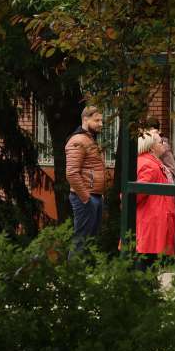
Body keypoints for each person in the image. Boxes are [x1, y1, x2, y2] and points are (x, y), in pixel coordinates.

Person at [65, 105, 107, 254]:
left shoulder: (90, 139)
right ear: (85, 119)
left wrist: (98, 195)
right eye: (97, 120)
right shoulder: (78, 140)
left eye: (101, 120)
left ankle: (83, 269)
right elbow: (71, 173)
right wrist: (86, 198)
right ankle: (73, 269)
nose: (101, 124)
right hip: (85, 198)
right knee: (80, 242)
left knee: (88, 243)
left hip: (94, 196)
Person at [134, 131, 175, 268]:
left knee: (147, 265)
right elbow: (136, 194)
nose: (164, 143)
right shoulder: (149, 165)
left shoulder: (151, 162)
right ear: (152, 147)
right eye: (160, 142)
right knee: (145, 266)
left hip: (151, 221)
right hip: (150, 223)